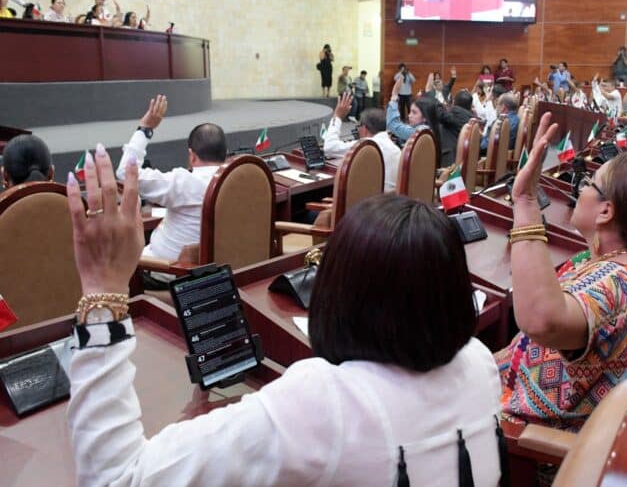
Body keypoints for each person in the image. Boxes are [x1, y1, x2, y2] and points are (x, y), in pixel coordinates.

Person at [65, 156, 504, 486]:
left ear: (337, 293)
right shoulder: (479, 362)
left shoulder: (325, 402)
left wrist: (103, 290)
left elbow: (116, 478)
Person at [496, 112, 627, 431]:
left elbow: (541, 319)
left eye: (588, 184)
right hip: (504, 391)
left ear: (606, 211)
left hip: (524, 438)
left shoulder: (618, 286)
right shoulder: (614, 266)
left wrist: (525, 202)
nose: (580, 189)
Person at [115, 95, 227, 262]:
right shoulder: (239, 182)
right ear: (225, 154)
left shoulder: (182, 182)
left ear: (191, 155)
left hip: (164, 270)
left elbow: (126, 173)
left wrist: (145, 128)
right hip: (222, 265)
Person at [322, 94, 400, 191]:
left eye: (358, 126)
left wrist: (337, 117)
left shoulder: (367, 146)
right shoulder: (395, 148)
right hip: (393, 198)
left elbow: (329, 148)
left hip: (374, 199)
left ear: (364, 128)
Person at [387, 75, 440, 149]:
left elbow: (393, 124)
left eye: (414, 113)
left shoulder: (420, 131)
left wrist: (394, 96)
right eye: (410, 112)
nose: (409, 116)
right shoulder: (431, 127)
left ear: (425, 117)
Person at [438, 90, 474, 166]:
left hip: (449, 165)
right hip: (466, 163)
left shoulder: (455, 115)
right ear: (470, 106)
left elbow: (438, 113)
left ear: (454, 102)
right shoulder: (472, 119)